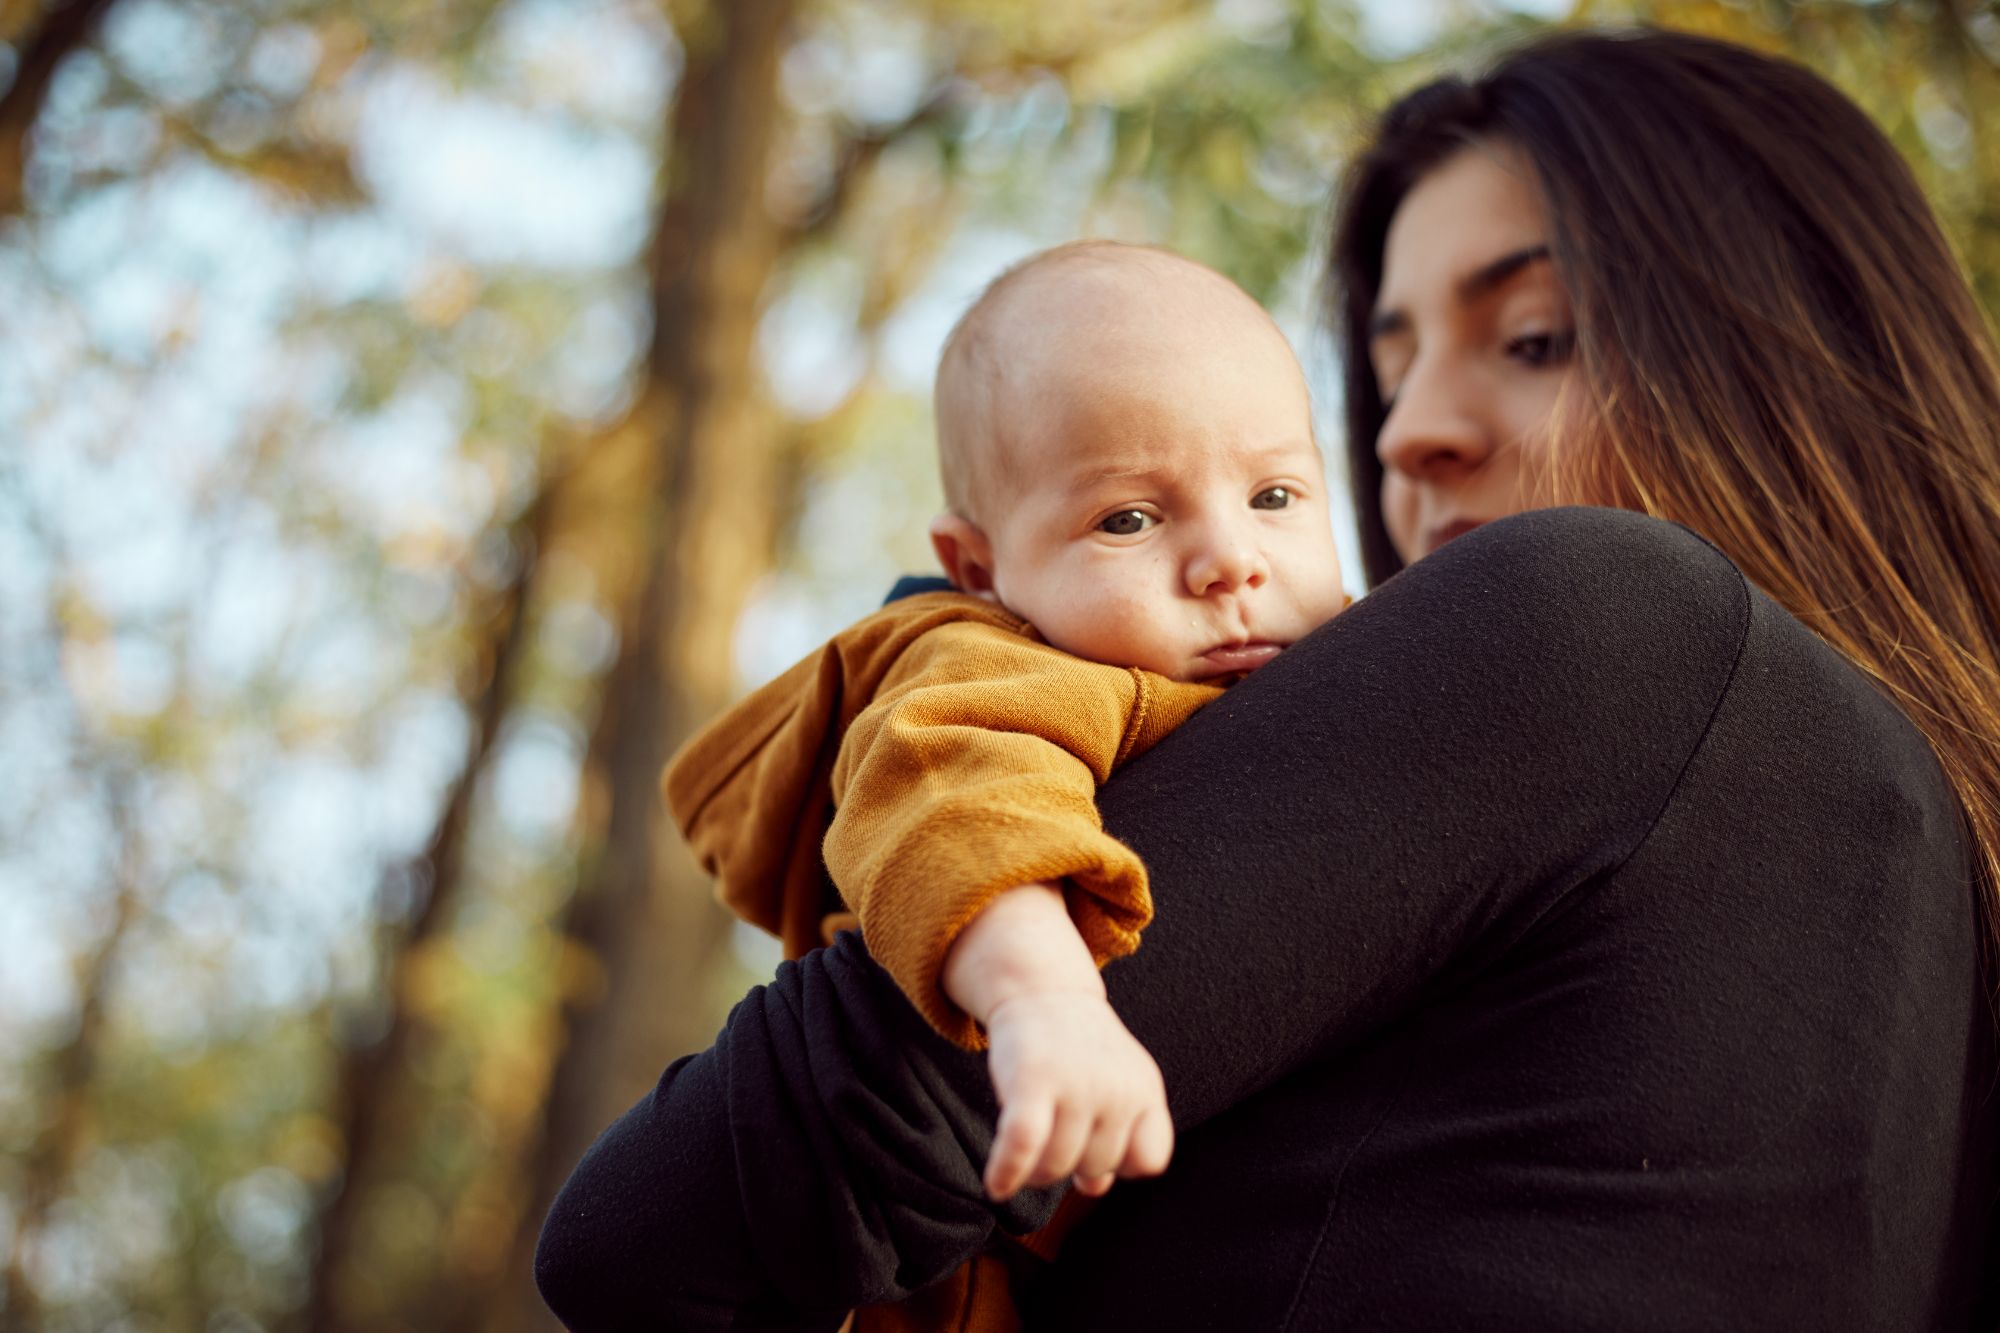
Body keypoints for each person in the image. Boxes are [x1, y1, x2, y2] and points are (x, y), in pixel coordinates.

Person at [535, 27, 2000, 1331]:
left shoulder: (1603, 620)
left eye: (1534, 336)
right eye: (1389, 362)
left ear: (1788, 355)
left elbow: (641, 1233)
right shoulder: (1941, 915)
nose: (1411, 429)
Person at [660, 241, 1347, 1329]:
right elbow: (963, 806)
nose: (1230, 559)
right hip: (965, 1253)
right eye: (1127, 518)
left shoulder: (1338, 658)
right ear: (980, 567)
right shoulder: (997, 667)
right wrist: (1044, 1002)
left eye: (1273, 494)